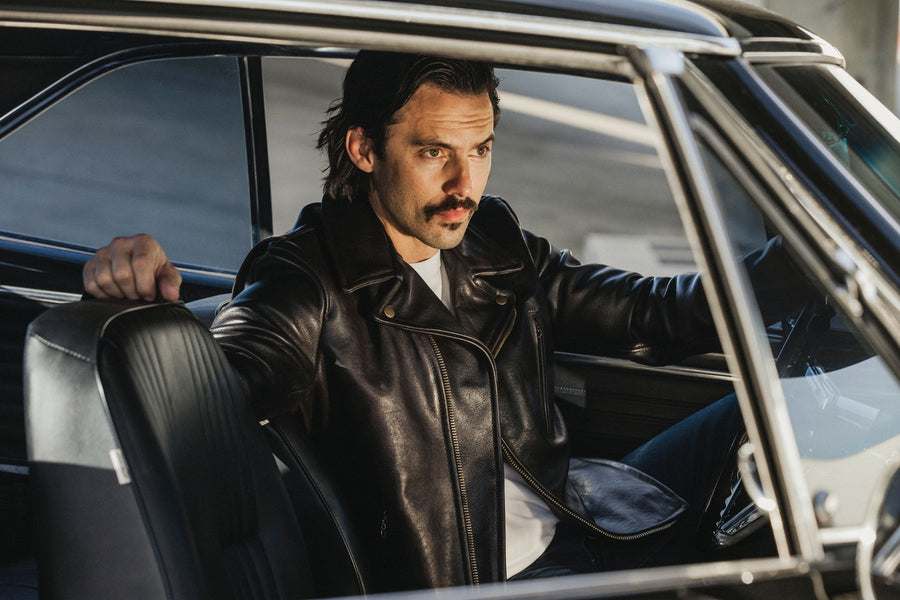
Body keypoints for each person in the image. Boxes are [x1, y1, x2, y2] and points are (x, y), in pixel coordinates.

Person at [83, 52, 811, 591]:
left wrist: (811, 257)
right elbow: (214, 393)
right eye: (434, 153)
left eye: (480, 150)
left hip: (580, 518)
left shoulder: (491, 240)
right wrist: (148, 297)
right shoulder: (302, 281)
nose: (465, 186)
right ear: (364, 149)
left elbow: (655, 314)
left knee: (783, 413)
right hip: (484, 582)